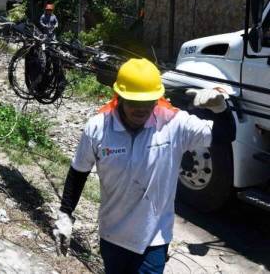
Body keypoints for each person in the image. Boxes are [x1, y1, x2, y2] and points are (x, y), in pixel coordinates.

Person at [53, 58, 234, 274]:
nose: (141, 109)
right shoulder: (99, 128)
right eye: (133, 102)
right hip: (112, 235)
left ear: (157, 99)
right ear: (119, 98)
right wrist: (65, 213)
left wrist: (221, 109)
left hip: (153, 239)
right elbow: (79, 171)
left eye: (148, 102)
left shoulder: (174, 124)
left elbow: (225, 135)